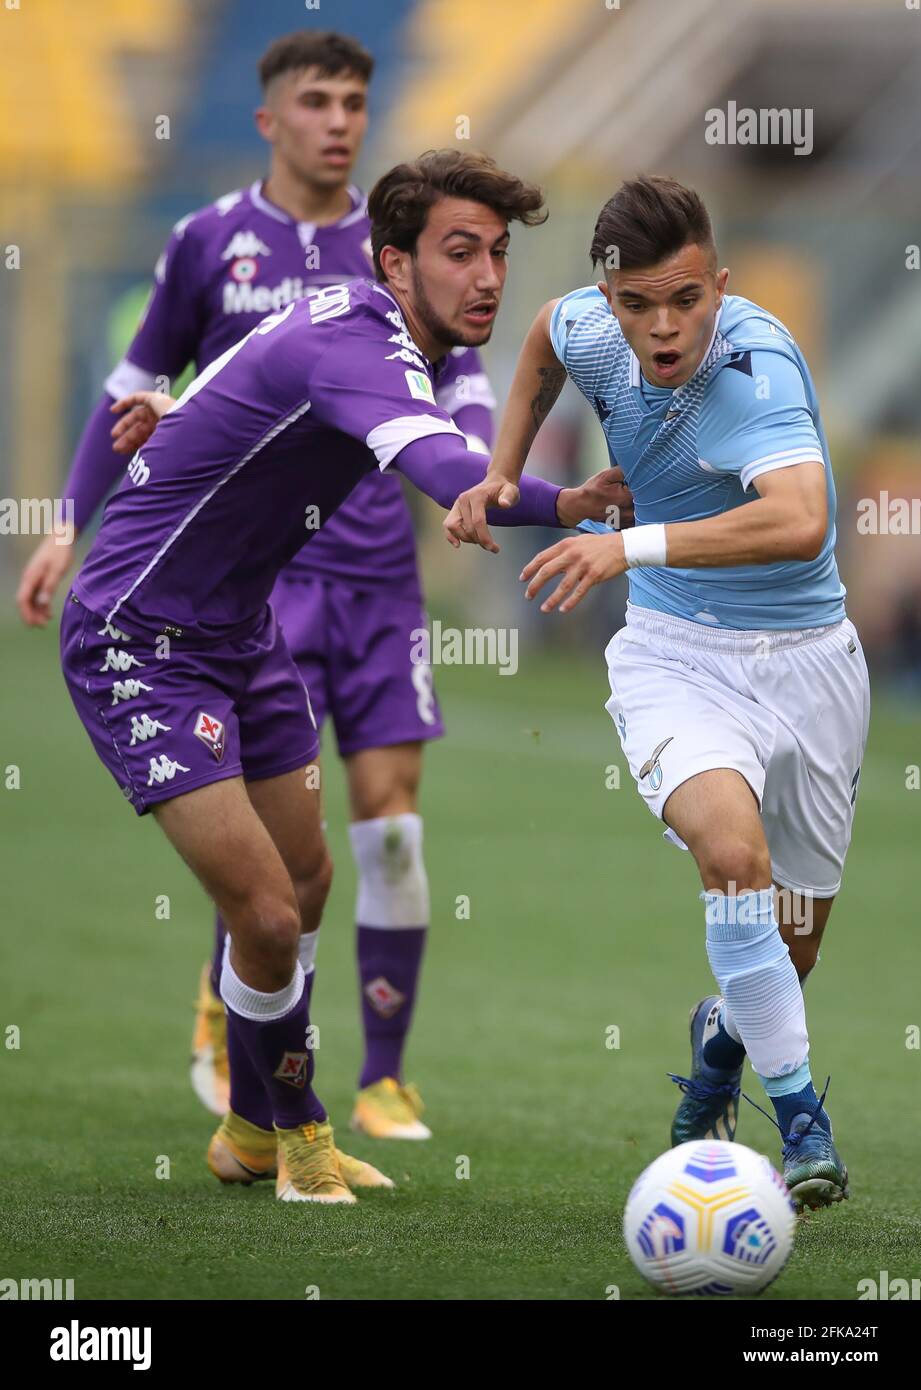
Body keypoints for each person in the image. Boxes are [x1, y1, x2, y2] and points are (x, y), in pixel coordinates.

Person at [58, 149, 625, 1204]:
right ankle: (302, 1132)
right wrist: (550, 502)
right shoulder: (355, 343)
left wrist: (561, 500)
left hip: (239, 631)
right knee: (269, 915)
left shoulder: (383, 333)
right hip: (136, 632)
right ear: (394, 262)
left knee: (309, 880)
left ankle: (245, 1131)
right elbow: (446, 470)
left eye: (499, 252)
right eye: (461, 251)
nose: (490, 276)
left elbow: (424, 445)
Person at [17, 30, 497, 1141]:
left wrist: (480, 476)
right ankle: (252, 1035)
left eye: (356, 103)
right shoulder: (207, 241)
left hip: (374, 564)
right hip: (247, 576)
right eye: (318, 102)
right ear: (269, 118)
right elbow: (144, 386)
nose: (340, 122)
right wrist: (63, 525)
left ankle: (378, 1075)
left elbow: (462, 388)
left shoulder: (411, 242)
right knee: (266, 870)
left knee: (383, 830)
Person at [444, 175, 869, 1212]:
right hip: (675, 653)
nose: (664, 325)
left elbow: (801, 520)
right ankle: (802, 1121)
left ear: (719, 284)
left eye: (686, 298)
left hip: (811, 662)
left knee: (790, 942)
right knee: (731, 859)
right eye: (639, 304)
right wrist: (503, 471)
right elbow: (540, 341)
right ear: (612, 295)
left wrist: (623, 544)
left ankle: (723, 1039)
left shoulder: (752, 365)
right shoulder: (590, 324)